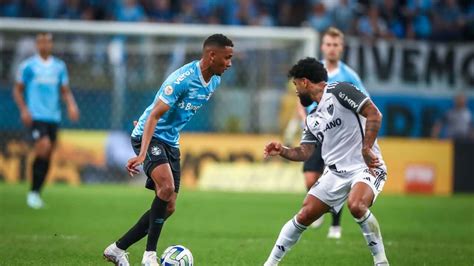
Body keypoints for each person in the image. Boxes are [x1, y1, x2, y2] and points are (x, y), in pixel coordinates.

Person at [103, 34, 234, 266]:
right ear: (211, 55)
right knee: (166, 187)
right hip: (151, 136)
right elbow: (154, 115)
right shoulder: (182, 79)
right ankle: (149, 256)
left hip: (170, 141)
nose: (230, 63)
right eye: (227, 58)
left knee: (169, 206)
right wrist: (142, 153)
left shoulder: (214, 81)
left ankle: (117, 249)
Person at [263, 57, 389, 266]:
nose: (295, 91)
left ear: (305, 82)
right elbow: (304, 152)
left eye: (295, 84)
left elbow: (374, 114)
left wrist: (366, 148)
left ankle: (381, 262)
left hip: (365, 167)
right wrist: (282, 150)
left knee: (356, 205)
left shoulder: (341, 90)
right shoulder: (312, 117)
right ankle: (270, 264)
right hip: (335, 174)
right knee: (304, 215)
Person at [286, 26, 368, 238]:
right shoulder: (312, 72)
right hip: (316, 132)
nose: (332, 49)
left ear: (341, 48)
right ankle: (319, 208)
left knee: (336, 177)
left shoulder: (349, 76)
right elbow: (299, 99)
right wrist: (306, 120)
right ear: (322, 47)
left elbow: (365, 103)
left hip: (339, 135)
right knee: (310, 178)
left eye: (336, 45)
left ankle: (335, 226)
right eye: (328, 44)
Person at [12, 32, 80, 209]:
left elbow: (64, 90)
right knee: (44, 146)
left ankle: (37, 192)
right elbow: (17, 90)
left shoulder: (59, 66)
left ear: (51, 44)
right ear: (37, 44)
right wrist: (24, 110)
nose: (45, 45)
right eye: (41, 42)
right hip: (36, 116)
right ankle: (33, 192)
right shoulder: (28, 66)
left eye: (48, 42)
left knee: (48, 153)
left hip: (53, 116)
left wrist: (72, 105)